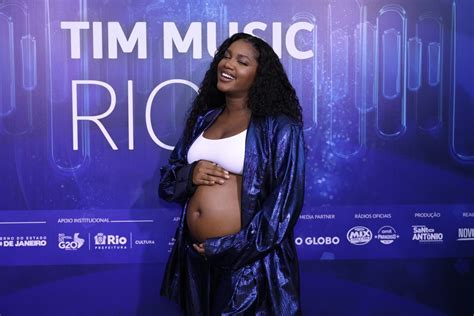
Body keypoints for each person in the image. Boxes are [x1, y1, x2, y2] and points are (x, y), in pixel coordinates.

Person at [159, 32, 305, 315]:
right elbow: (166, 184)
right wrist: (190, 174)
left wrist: (228, 246)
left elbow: (283, 209)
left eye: (242, 61)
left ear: (260, 76)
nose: (228, 64)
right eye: (226, 56)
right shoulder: (204, 120)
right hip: (197, 263)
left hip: (249, 268)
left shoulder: (280, 128)